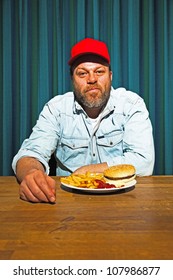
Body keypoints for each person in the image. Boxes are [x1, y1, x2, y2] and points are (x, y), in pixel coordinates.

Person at [12, 38, 155, 203]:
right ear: (72, 79)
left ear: (110, 76)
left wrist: (90, 171)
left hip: (123, 201)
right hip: (68, 202)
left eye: (99, 71)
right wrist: (31, 174)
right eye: (82, 73)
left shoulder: (131, 104)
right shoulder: (56, 108)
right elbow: (30, 154)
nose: (92, 79)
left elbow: (144, 162)